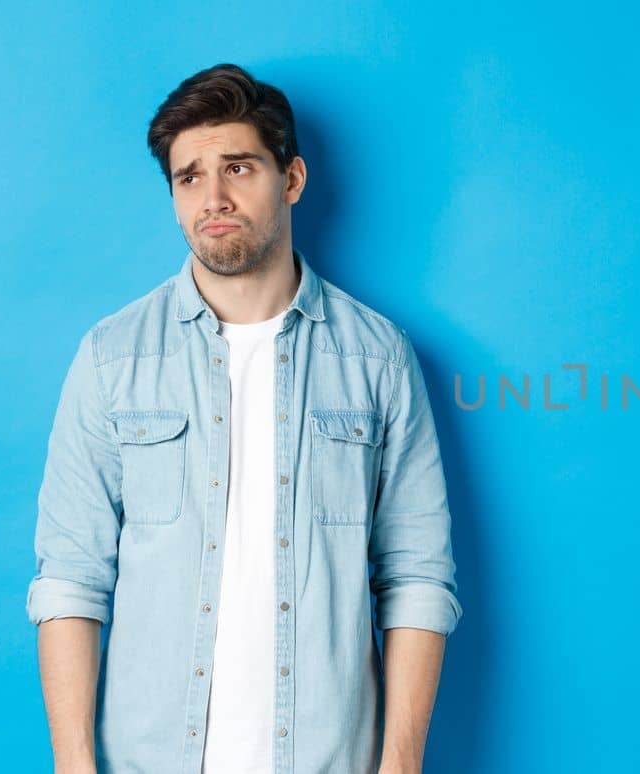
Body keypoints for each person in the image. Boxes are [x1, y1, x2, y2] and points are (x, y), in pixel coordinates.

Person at [25, 63, 462, 774]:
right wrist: (74, 766)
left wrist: (401, 764)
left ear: (290, 179)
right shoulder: (113, 359)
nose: (214, 196)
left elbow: (417, 576)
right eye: (189, 177)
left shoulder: (378, 358)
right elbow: (72, 578)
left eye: (238, 167)